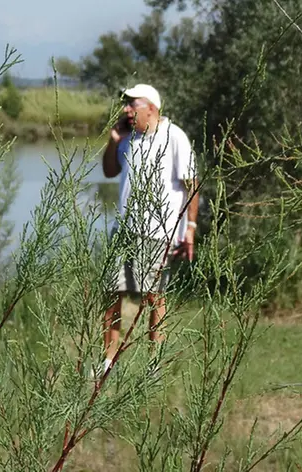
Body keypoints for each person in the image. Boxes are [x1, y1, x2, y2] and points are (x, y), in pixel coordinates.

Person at [99, 83, 199, 374]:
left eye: (132, 105)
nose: (126, 110)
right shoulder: (129, 138)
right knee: (111, 293)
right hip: (124, 229)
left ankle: (153, 366)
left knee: (154, 297)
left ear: (151, 108)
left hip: (158, 232)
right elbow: (108, 171)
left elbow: (192, 186)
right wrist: (114, 140)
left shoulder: (175, 137)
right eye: (125, 104)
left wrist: (189, 228)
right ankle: (108, 363)